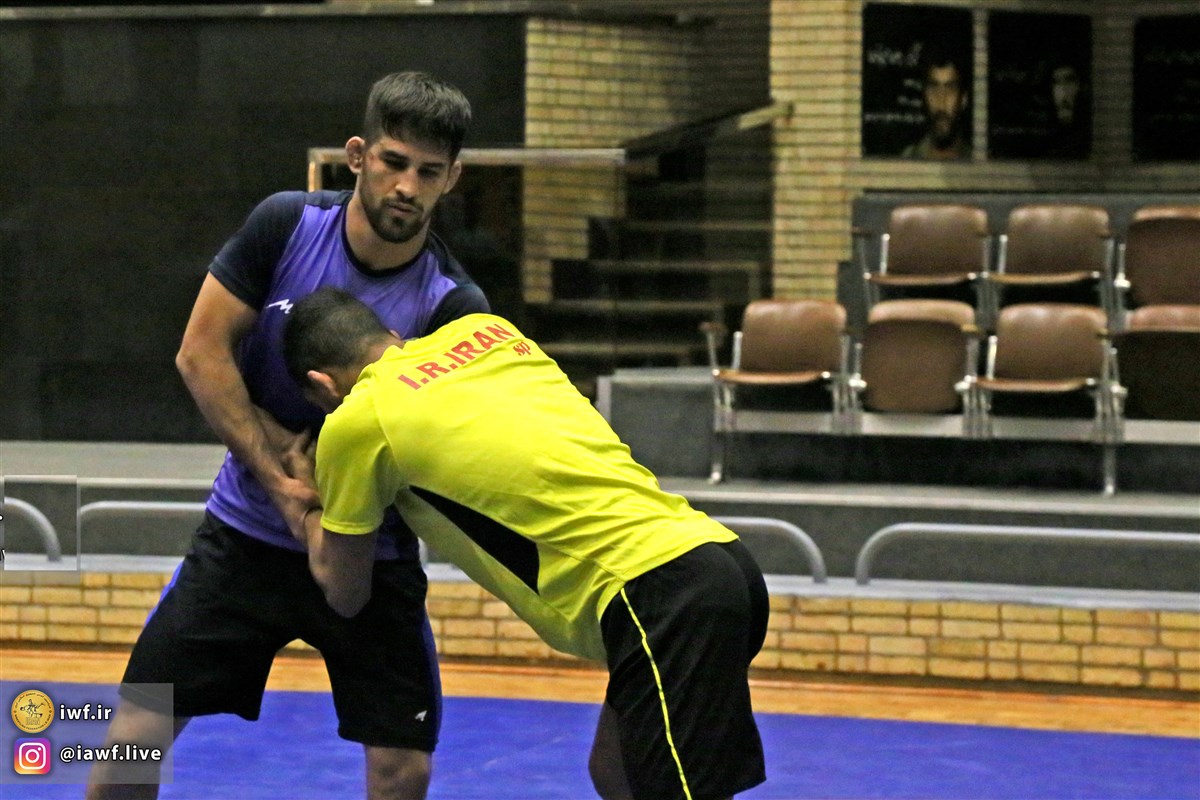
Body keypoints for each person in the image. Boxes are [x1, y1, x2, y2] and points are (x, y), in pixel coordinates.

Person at [87, 72, 488, 800]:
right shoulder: (287, 225)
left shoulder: (453, 306)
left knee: (403, 770)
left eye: (429, 172)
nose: (407, 187)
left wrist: (331, 509)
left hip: (372, 555)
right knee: (131, 741)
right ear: (358, 155)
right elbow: (200, 352)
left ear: (452, 178)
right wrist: (283, 487)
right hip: (244, 536)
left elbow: (440, 449)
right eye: (394, 162)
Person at [278, 288, 770, 800]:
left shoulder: (358, 419)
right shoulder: (490, 332)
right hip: (716, 559)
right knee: (615, 771)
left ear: (323, 384)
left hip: (657, 595)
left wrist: (303, 501)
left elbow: (346, 593)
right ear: (393, 335)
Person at [902, 43, 972, 160]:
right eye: (933, 88)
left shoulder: (981, 164)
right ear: (924, 95)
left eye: (950, 89)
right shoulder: (904, 162)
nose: (941, 102)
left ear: (963, 99)